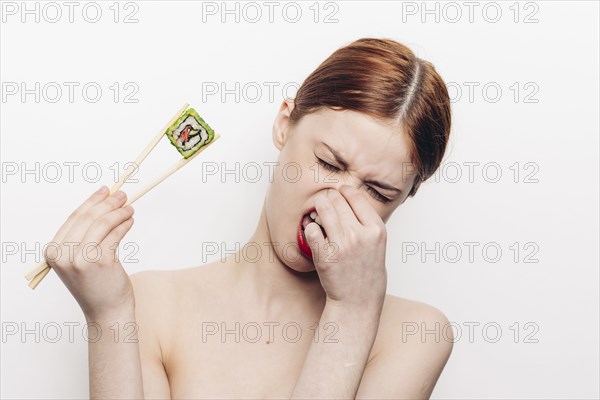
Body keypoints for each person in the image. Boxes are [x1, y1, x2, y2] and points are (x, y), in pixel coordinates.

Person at [45, 37, 454, 399]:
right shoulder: (149, 305)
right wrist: (108, 317)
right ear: (283, 126)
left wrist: (353, 310)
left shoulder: (414, 335)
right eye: (328, 163)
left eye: (378, 192)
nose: (337, 203)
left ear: (403, 199)